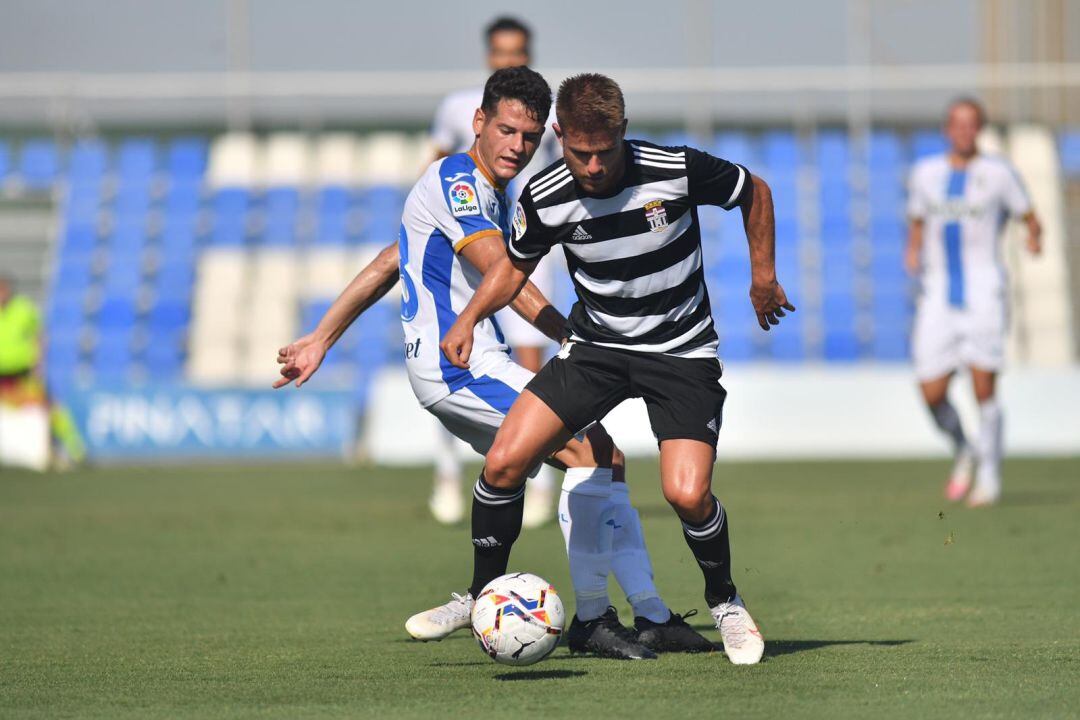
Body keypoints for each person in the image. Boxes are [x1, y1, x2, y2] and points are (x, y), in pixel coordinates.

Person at [274, 67, 712, 659]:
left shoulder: (488, 191)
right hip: (459, 367)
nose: (517, 147)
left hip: (476, 362)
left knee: (604, 455)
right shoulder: (459, 181)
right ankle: (586, 617)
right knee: (588, 452)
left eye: (529, 138)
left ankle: (647, 612)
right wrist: (569, 331)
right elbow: (500, 269)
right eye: (505, 130)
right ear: (477, 123)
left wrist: (321, 337)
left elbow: (388, 260)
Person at [439, 73, 796, 665]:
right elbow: (512, 268)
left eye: (605, 152)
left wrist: (763, 275)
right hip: (597, 350)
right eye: (581, 153)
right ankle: (483, 596)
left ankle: (725, 601)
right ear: (560, 136)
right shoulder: (545, 194)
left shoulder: (674, 169)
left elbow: (753, 190)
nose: (595, 166)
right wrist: (469, 318)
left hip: (680, 351)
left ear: (622, 132)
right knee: (504, 460)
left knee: (686, 493)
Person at [428, 16, 560, 528]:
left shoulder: (545, 112)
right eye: (503, 52)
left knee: (531, 361)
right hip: (472, 243)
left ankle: (542, 479)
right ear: (489, 56)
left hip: (530, 246)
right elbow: (438, 169)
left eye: (519, 52)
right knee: (461, 355)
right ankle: (446, 473)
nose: (511, 60)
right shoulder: (459, 108)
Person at [906, 97, 1042, 507]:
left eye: (971, 124)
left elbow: (1029, 215)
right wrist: (913, 250)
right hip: (938, 294)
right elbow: (917, 220)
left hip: (983, 292)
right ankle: (965, 447)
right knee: (931, 391)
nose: (963, 131)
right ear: (948, 128)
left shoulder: (998, 174)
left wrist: (1035, 236)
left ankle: (989, 477)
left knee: (984, 387)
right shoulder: (926, 173)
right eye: (956, 124)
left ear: (978, 128)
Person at [0, 276, 85, 466]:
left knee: (48, 406)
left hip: (23, 372)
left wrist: (38, 362)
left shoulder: (24, 309)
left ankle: (74, 447)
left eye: (2, 289)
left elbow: (40, 336)